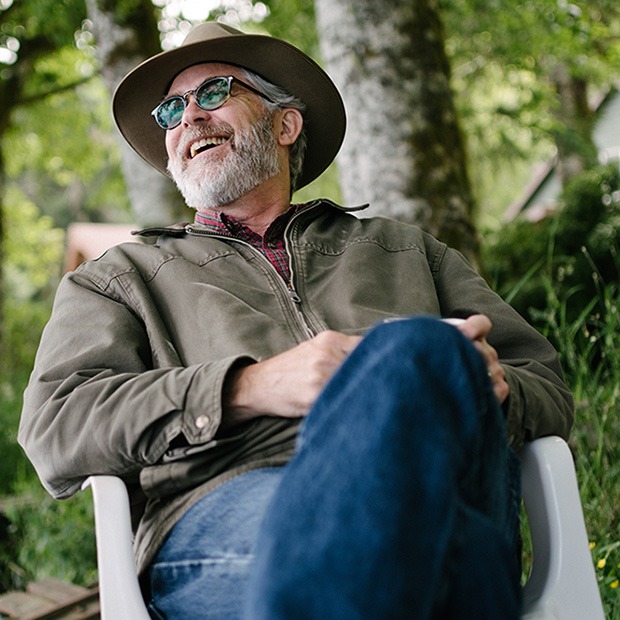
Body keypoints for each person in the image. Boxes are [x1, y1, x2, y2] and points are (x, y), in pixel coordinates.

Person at [19, 22, 574, 619]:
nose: (188, 119)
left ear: (286, 125)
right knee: (438, 541)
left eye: (213, 94)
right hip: (235, 504)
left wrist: (490, 385)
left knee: (419, 354)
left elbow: (547, 388)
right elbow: (55, 425)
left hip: (442, 475)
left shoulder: (406, 250)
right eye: (172, 110)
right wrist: (248, 386)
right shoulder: (119, 277)